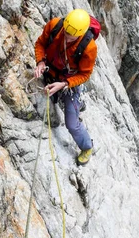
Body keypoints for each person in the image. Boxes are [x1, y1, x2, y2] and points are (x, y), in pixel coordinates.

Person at [34, 9, 97, 166]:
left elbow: (84, 75)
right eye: (66, 32)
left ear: (81, 34)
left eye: (72, 36)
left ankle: (87, 146)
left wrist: (65, 84)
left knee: (71, 123)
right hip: (50, 71)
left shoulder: (89, 47)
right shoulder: (55, 25)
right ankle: (77, 105)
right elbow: (40, 43)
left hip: (68, 83)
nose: (67, 37)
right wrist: (41, 61)